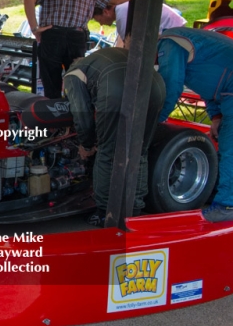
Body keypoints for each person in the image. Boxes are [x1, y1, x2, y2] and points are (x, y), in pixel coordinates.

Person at [63, 47, 165, 227]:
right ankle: (134, 211)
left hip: (116, 87)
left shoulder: (73, 74)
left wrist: (86, 145)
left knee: (106, 153)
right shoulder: (102, 56)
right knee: (139, 152)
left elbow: (82, 114)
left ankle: (104, 213)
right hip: (156, 85)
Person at [157, 27, 233, 222]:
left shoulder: (169, 43)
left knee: (232, 148)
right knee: (228, 145)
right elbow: (208, 83)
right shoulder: (181, 41)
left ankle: (226, 207)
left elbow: (171, 88)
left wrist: (156, 121)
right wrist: (216, 115)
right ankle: (218, 196)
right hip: (230, 89)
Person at [24, 0, 137, 99]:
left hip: (52, 35)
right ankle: (76, 114)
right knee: (76, 79)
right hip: (77, 37)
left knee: (51, 81)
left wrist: (35, 28)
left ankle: (53, 114)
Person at [93, 2, 186, 47]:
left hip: (171, 32)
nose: (101, 23)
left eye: (99, 20)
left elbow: (128, 46)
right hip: (171, 29)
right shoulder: (122, 8)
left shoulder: (121, 12)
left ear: (105, 12)